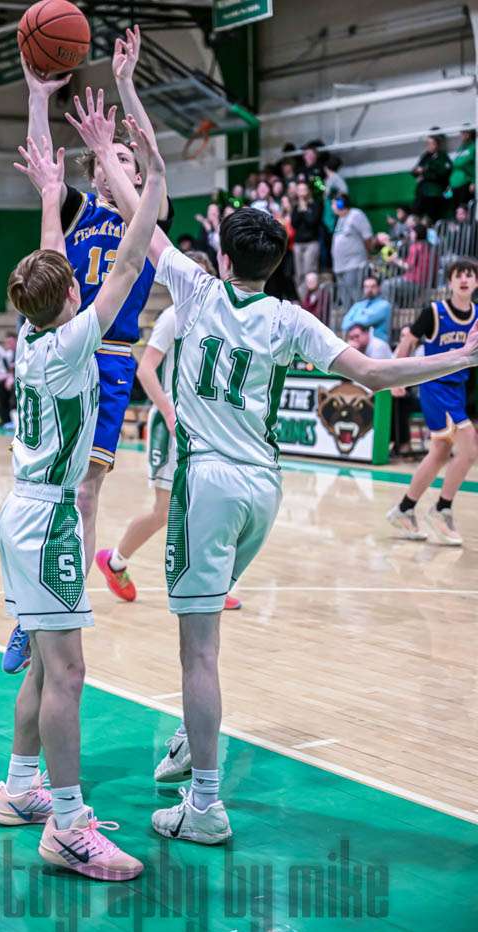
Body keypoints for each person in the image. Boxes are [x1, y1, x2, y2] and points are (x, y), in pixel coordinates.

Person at [88, 109, 478, 843]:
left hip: (207, 485)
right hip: (266, 489)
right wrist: (461, 355)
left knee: (198, 649)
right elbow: (375, 376)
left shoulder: (196, 289)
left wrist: (108, 152)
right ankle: (190, 735)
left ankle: (205, 805)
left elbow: (145, 222)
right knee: (206, 629)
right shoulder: (292, 318)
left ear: (222, 256)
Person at [0, 110, 165, 877]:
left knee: (44, 664)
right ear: (71, 295)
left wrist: (49, 192)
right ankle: (66, 825)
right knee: (67, 674)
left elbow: (52, 259)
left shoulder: (32, 335)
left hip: (21, 511)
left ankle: (19, 788)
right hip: (50, 522)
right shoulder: (73, 341)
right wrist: (141, 172)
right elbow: (127, 260)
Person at [2, 28, 174, 673]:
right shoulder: (76, 210)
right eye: (111, 157)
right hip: (59, 347)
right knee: (43, 485)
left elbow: (154, 171)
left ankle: (62, 598)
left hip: (111, 355)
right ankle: (28, 610)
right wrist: (36, 98)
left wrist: (127, 90)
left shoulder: (146, 217)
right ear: (95, 167)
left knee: (86, 492)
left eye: (129, 158)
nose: (120, 162)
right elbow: (45, 173)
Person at [95, 250, 240, 612]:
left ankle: (210, 584)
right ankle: (115, 561)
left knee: (209, 504)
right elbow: (146, 370)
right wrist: (171, 413)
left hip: (206, 424)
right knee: (164, 511)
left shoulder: (219, 318)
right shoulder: (173, 317)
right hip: (171, 423)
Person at [387, 259, 478, 545]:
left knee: (439, 452)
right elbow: (408, 341)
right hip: (435, 386)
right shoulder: (435, 312)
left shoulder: (477, 315)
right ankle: (441, 509)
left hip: (458, 390)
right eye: (458, 275)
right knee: (470, 446)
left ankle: (404, 509)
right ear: (449, 282)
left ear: (476, 282)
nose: (464, 279)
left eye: (469, 275)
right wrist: (397, 378)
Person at [331, 194, 375, 309]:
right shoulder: (340, 218)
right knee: (346, 301)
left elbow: (367, 236)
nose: (332, 207)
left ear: (341, 204)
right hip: (340, 266)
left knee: (357, 297)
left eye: (334, 203)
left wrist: (369, 253)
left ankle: (364, 318)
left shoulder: (356, 215)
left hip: (353, 264)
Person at [381, 222, 436, 307]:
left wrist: (395, 260)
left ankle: (392, 311)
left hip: (414, 281)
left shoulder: (416, 246)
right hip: (428, 281)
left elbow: (408, 266)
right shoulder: (430, 247)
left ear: (416, 234)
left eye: (412, 232)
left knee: (386, 285)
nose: (410, 235)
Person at [290, 181, 321, 299]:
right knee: (299, 274)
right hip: (298, 243)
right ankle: (303, 299)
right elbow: (294, 224)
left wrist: (304, 209)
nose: (302, 193)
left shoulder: (315, 205)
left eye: (304, 189)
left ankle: (313, 300)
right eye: (299, 190)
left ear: (308, 191)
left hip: (311, 242)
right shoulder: (295, 207)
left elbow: (312, 221)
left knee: (310, 271)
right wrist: (300, 209)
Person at [412, 134, 452, 223]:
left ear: (437, 145)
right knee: (414, 216)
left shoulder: (442, 156)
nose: (429, 146)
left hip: (435, 194)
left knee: (433, 218)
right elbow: (414, 171)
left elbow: (444, 172)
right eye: (428, 144)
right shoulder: (426, 156)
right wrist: (418, 171)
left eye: (432, 144)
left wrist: (426, 170)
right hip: (422, 192)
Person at [341, 275, 392, 343]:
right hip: (359, 343)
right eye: (366, 287)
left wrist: (353, 320)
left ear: (379, 288)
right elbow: (345, 324)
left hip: (377, 342)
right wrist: (359, 320)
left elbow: (366, 321)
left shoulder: (384, 305)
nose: (369, 289)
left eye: (373, 286)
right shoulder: (358, 305)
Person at [449, 127, 475, 207]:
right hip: (454, 184)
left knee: (463, 210)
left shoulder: (474, 147)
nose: (462, 135)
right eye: (462, 133)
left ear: (470, 134)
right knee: (455, 209)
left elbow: (475, 166)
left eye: (465, 132)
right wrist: (450, 184)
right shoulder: (461, 148)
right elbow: (455, 166)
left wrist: (474, 182)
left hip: (465, 183)